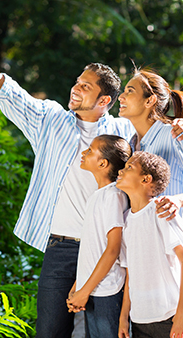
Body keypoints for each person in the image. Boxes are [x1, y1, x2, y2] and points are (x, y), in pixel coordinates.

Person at [0, 28, 183, 338]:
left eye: (85, 86)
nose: (75, 89)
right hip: (60, 247)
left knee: (106, 333)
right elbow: (3, 88)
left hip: (106, 249)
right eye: (76, 82)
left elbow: (156, 144)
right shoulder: (49, 119)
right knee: (50, 332)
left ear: (104, 99)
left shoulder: (125, 133)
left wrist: (180, 124)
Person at [117, 68, 183, 267]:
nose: (121, 96)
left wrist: (177, 201)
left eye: (130, 91)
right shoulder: (129, 144)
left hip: (173, 252)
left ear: (149, 101)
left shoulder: (176, 135)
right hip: (140, 247)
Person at [116, 151, 183, 338]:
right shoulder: (125, 220)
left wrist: (181, 314)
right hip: (139, 319)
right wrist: (123, 317)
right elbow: (130, 273)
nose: (120, 171)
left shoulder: (160, 211)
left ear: (146, 179)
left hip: (168, 316)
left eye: (129, 167)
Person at [65, 134, 131, 338]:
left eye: (90, 150)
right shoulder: (99, 195)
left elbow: (112, 250)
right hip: (93, 289)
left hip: (107, 291)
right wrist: (80, 286)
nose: (84, 153)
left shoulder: (113, 196)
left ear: (103, 163)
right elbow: (92, 248)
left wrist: (84, 291)